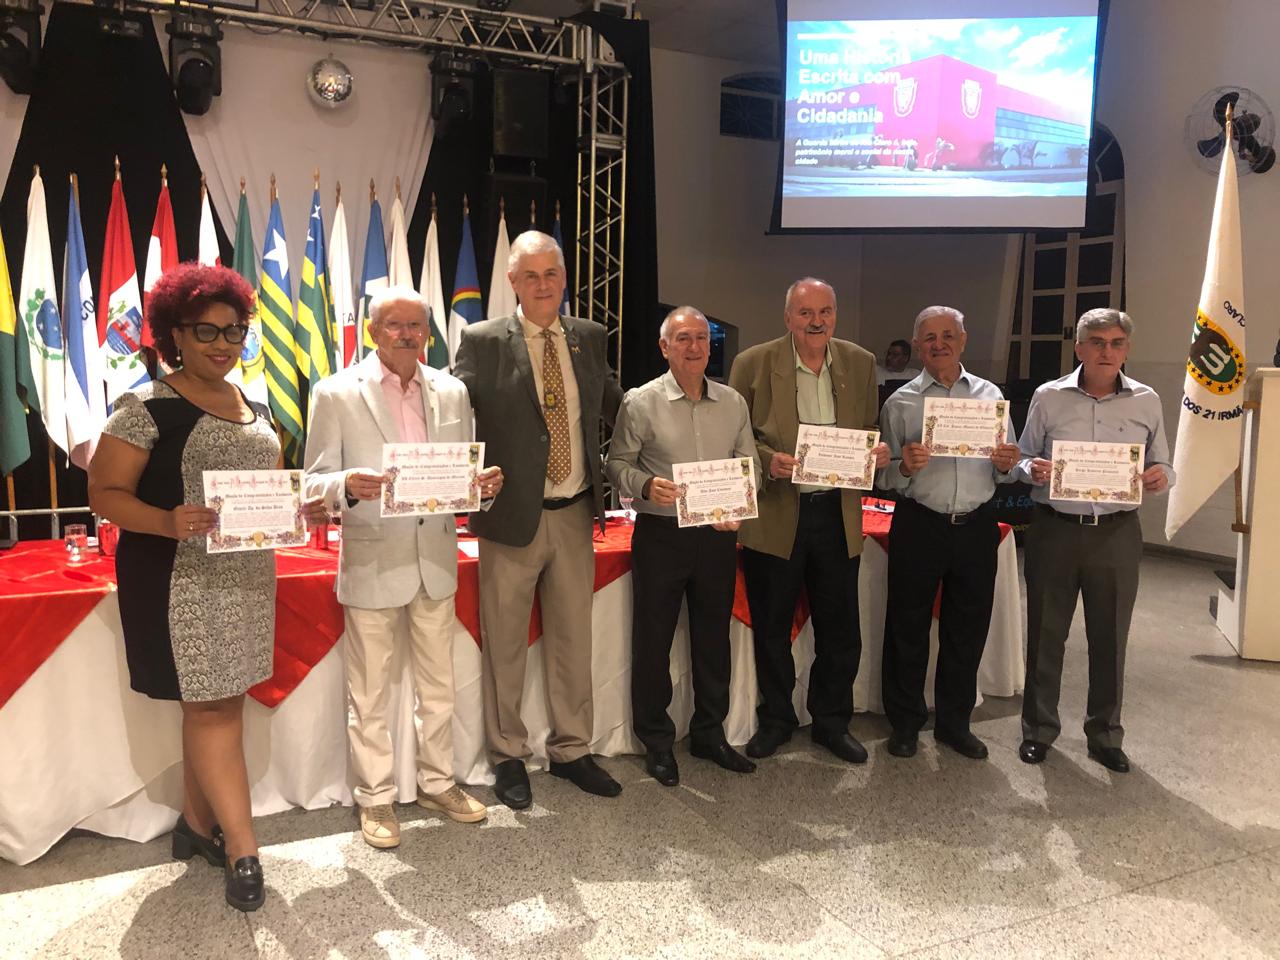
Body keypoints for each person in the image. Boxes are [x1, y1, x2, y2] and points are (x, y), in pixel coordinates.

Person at [88, 263, 325, 912]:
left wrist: (298, 510)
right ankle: (242, 848)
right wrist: (165, 520)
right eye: (207, 331)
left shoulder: (259, 407)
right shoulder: (147, 407)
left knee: (222, 706)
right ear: (174, 334)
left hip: (247, 578)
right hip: (178, 581)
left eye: (235, 332)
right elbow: (103, 493)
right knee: (213, 709)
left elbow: (270, 490)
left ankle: (195, 827)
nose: (223, 344)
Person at [304, 287, 504, 848]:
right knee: (368, 693)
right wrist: (345, 484)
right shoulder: (336, 392)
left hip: (436, 560)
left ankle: (439, 782)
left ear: (428, 332)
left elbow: (461, 475)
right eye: (394, 325)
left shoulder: (453, 390)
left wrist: (482, 488)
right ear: (373, 332)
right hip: (372, 558)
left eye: (416, 325)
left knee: (439, 685)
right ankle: (375, 799)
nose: (407, 334)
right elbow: (312, 479)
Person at [453, 230, 625, 809]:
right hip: (509, 518)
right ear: (512, 283)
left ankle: (573, 750)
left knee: (573, 640)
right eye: (531, 276)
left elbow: (619, 408)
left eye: (552, 273)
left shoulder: (589, 338)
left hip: (575, 513)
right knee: (504, 643)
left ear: (564, 279)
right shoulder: (482, 341)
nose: (544, 284)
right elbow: (455, 420)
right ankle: (507, 755)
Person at [727, 277, 889, 764]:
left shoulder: (859, 363)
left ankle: (831, 721)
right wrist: (766, 459)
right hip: (778, 513)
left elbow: (867, 430)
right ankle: (777, 719)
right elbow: (732, 437)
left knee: (841, 629)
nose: (816, 321)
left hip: (836, 515)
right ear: (787, 317)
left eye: (825, 311)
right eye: (805, 313)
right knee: (772, 626)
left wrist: (875, 453)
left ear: (835, 315)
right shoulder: (752, 363)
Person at [605, 307, 759, 787]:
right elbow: (616, 464)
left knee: (714, 639)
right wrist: (646, 485)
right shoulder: (640, 402)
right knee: (653, 642)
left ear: (710, 347)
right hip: (661, 537)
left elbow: (747, 463)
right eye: (683, 338)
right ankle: (656, 741)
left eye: (701, 338)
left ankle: (709, 734)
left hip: (717, 537)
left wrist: (739, 501)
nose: (694, 347)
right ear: (664, 347)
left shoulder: (733, 402)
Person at [1016, 308, 1174, 773]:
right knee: (1045, 633)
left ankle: (1105, 734)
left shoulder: (1147, 400)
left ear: (1127, 349)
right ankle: (1039, 730)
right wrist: (1033, 469)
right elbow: (1023, 457)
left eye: (1117, 342)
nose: (1108, 351)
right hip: (1054, 529)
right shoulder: (1048, 397)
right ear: (1079, 347)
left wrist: (1159, 476)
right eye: (1098, 341)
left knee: (1111, 639)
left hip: (1117, 534)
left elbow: (1163, 462)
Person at [877, 306, 1021, 760]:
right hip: (919, 523)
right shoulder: (899, 402)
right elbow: (880, 478)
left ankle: (955, 723)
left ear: (963, 340)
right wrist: (903, 466)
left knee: (967, 628)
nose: (938, 344)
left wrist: (1006, 464)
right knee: (907, 627)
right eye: (929, 338)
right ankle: (904, 724)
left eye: (947, 335)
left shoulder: (990, 395)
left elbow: (1009, 469)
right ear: (917, 347)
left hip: (976, 526)